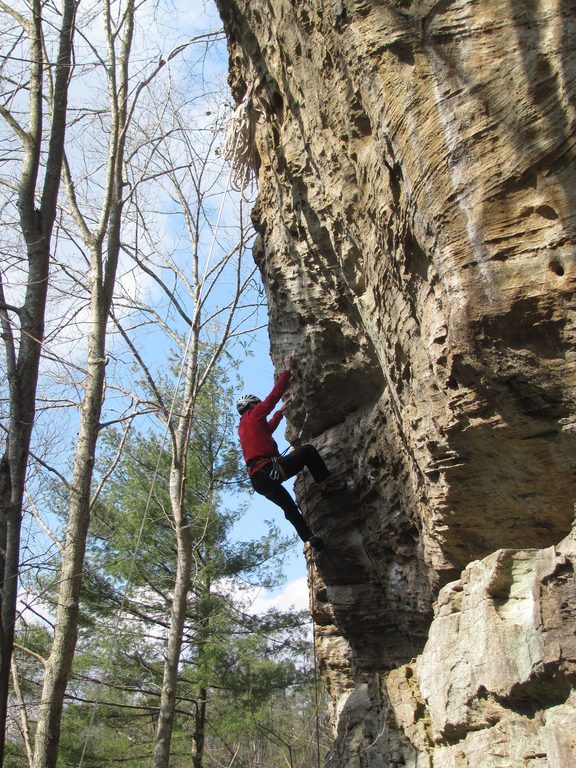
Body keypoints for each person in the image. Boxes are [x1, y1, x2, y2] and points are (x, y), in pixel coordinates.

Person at [237, 355, 345, 551]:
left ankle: (311, 539)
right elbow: (272, 397)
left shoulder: (244, 427)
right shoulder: (254, 414)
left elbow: (267, 430)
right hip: (268, 470)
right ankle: (327, 487)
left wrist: (281, 412)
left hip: (259, 481)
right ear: (252, 405)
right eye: (257, 403)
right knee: (308, 451)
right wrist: (287, 371)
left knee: (289, 508)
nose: (259, 405)